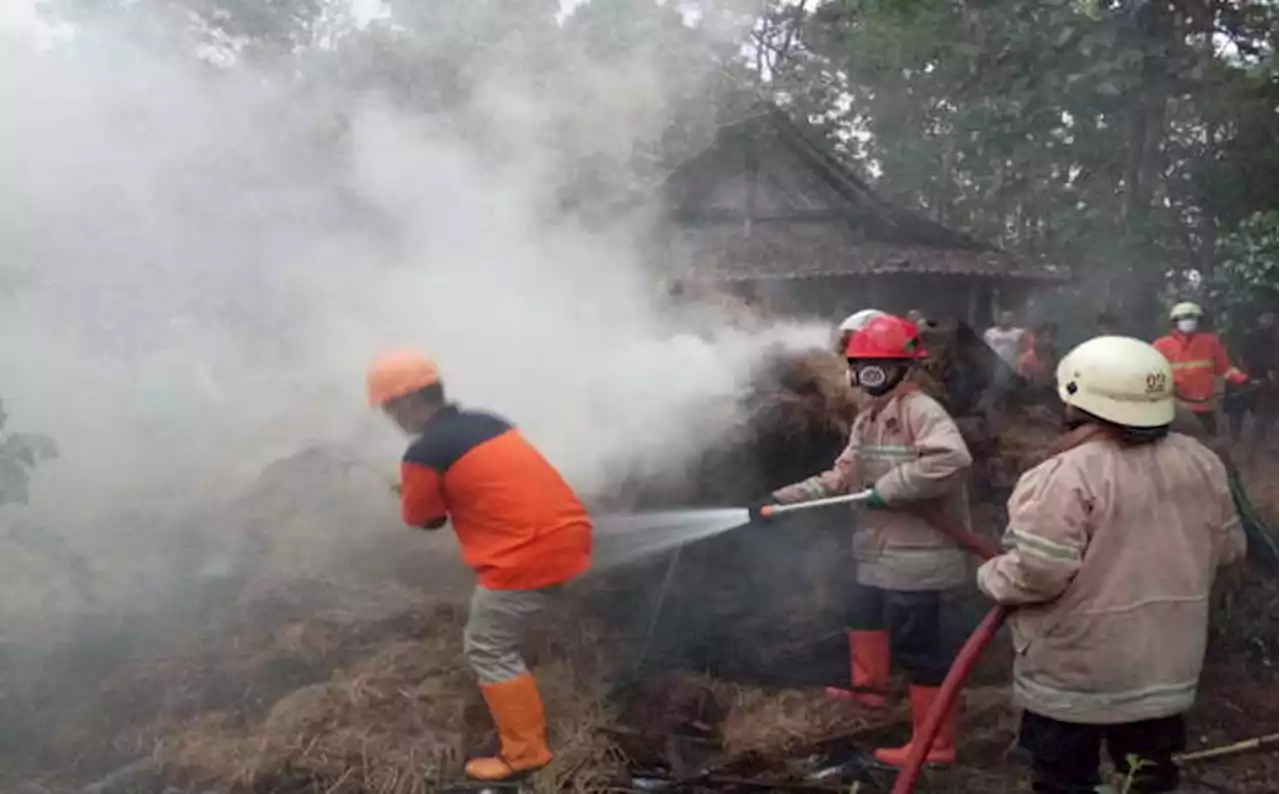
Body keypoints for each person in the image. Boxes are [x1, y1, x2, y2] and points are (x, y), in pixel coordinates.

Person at [977, 336, 1246, 794]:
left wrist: (991, 574)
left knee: (1065, 780)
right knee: (1148, 776)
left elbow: (1039, 572)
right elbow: (1230, 549)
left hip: (1076, 677)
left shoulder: (1066, 473)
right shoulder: (1201, 462)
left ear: (1078, 398)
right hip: (1165, 668)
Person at [367, 350, 593, 782]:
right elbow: (486, 484)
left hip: (525, 555)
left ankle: (525, 754)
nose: (393, 419)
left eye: (391, 410)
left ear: (411, 403)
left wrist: (410, 488)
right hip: (568, 536)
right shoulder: (488, 423)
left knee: (486, 646)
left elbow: (426, 520)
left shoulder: (425, 452)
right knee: (507, 625)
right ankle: (527, 706)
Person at [765, 314, 973, 767]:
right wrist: (781, 499)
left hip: (920, 555)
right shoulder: (870, 416)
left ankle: (935, 745)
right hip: (880, 551)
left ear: (899, 368)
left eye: (870, 366)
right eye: (858, 366)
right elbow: (843, 475)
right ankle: (870, 692)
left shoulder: (921, 411)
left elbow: (952, 461)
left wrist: (892, 489)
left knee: (921, 650)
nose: (861, 376)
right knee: (861, 610)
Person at [1152, 302, 1248, 436]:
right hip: (1174, 406)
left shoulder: (1211, 342)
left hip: (1204, 405)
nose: (1188, 321)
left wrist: (1243, 380)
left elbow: (1224, 368)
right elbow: (1152, 373)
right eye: (1184, 317)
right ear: (1175, 321)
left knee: (1209, 443)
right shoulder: (1161, 345)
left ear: (1198, 321)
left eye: (1192, 317)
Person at [1224, 310, 1278, 449]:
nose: (1270, 323)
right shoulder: (1251, 337)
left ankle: (1256, 443)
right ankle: (1239, 440)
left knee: (1262, 413)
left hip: (1259, 380)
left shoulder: (1271, 339)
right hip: (1246, 379)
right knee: (1241, 412)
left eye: (1272, 320)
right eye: (1267, 320)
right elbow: (1240, 359)